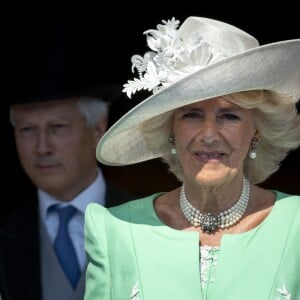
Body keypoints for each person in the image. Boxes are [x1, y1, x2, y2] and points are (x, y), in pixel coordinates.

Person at [84, 16, 300, 299]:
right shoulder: (116, 230)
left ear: (256, 130)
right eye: (192, 114)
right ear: (170, 128)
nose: (208, 135)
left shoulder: (296, 225)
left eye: (229, 115)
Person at [0, 17, 135, 300]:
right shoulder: (6, 230)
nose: (42, 147)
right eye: (27, 130)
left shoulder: (147, 222)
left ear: (98, 128)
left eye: (57, 128)